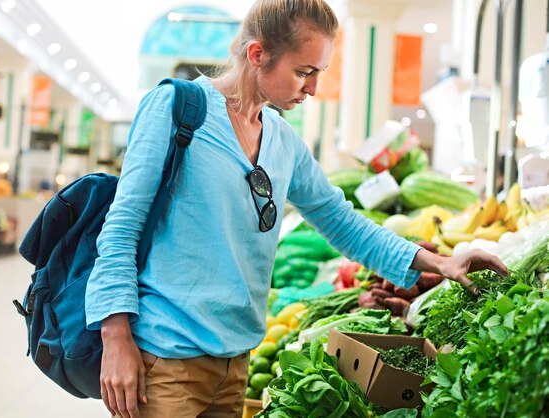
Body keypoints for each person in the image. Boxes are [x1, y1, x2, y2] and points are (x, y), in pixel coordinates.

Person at [85, 1, 509, 417]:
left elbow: (343, 223)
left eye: (318, 73)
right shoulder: (178, 110)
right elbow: (121, 227)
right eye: (303, 72)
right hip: (166, 358)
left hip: (235, 362)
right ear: (257, 54)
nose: (313, 88)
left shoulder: (284, 143)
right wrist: (116, 337)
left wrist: (440, 262)